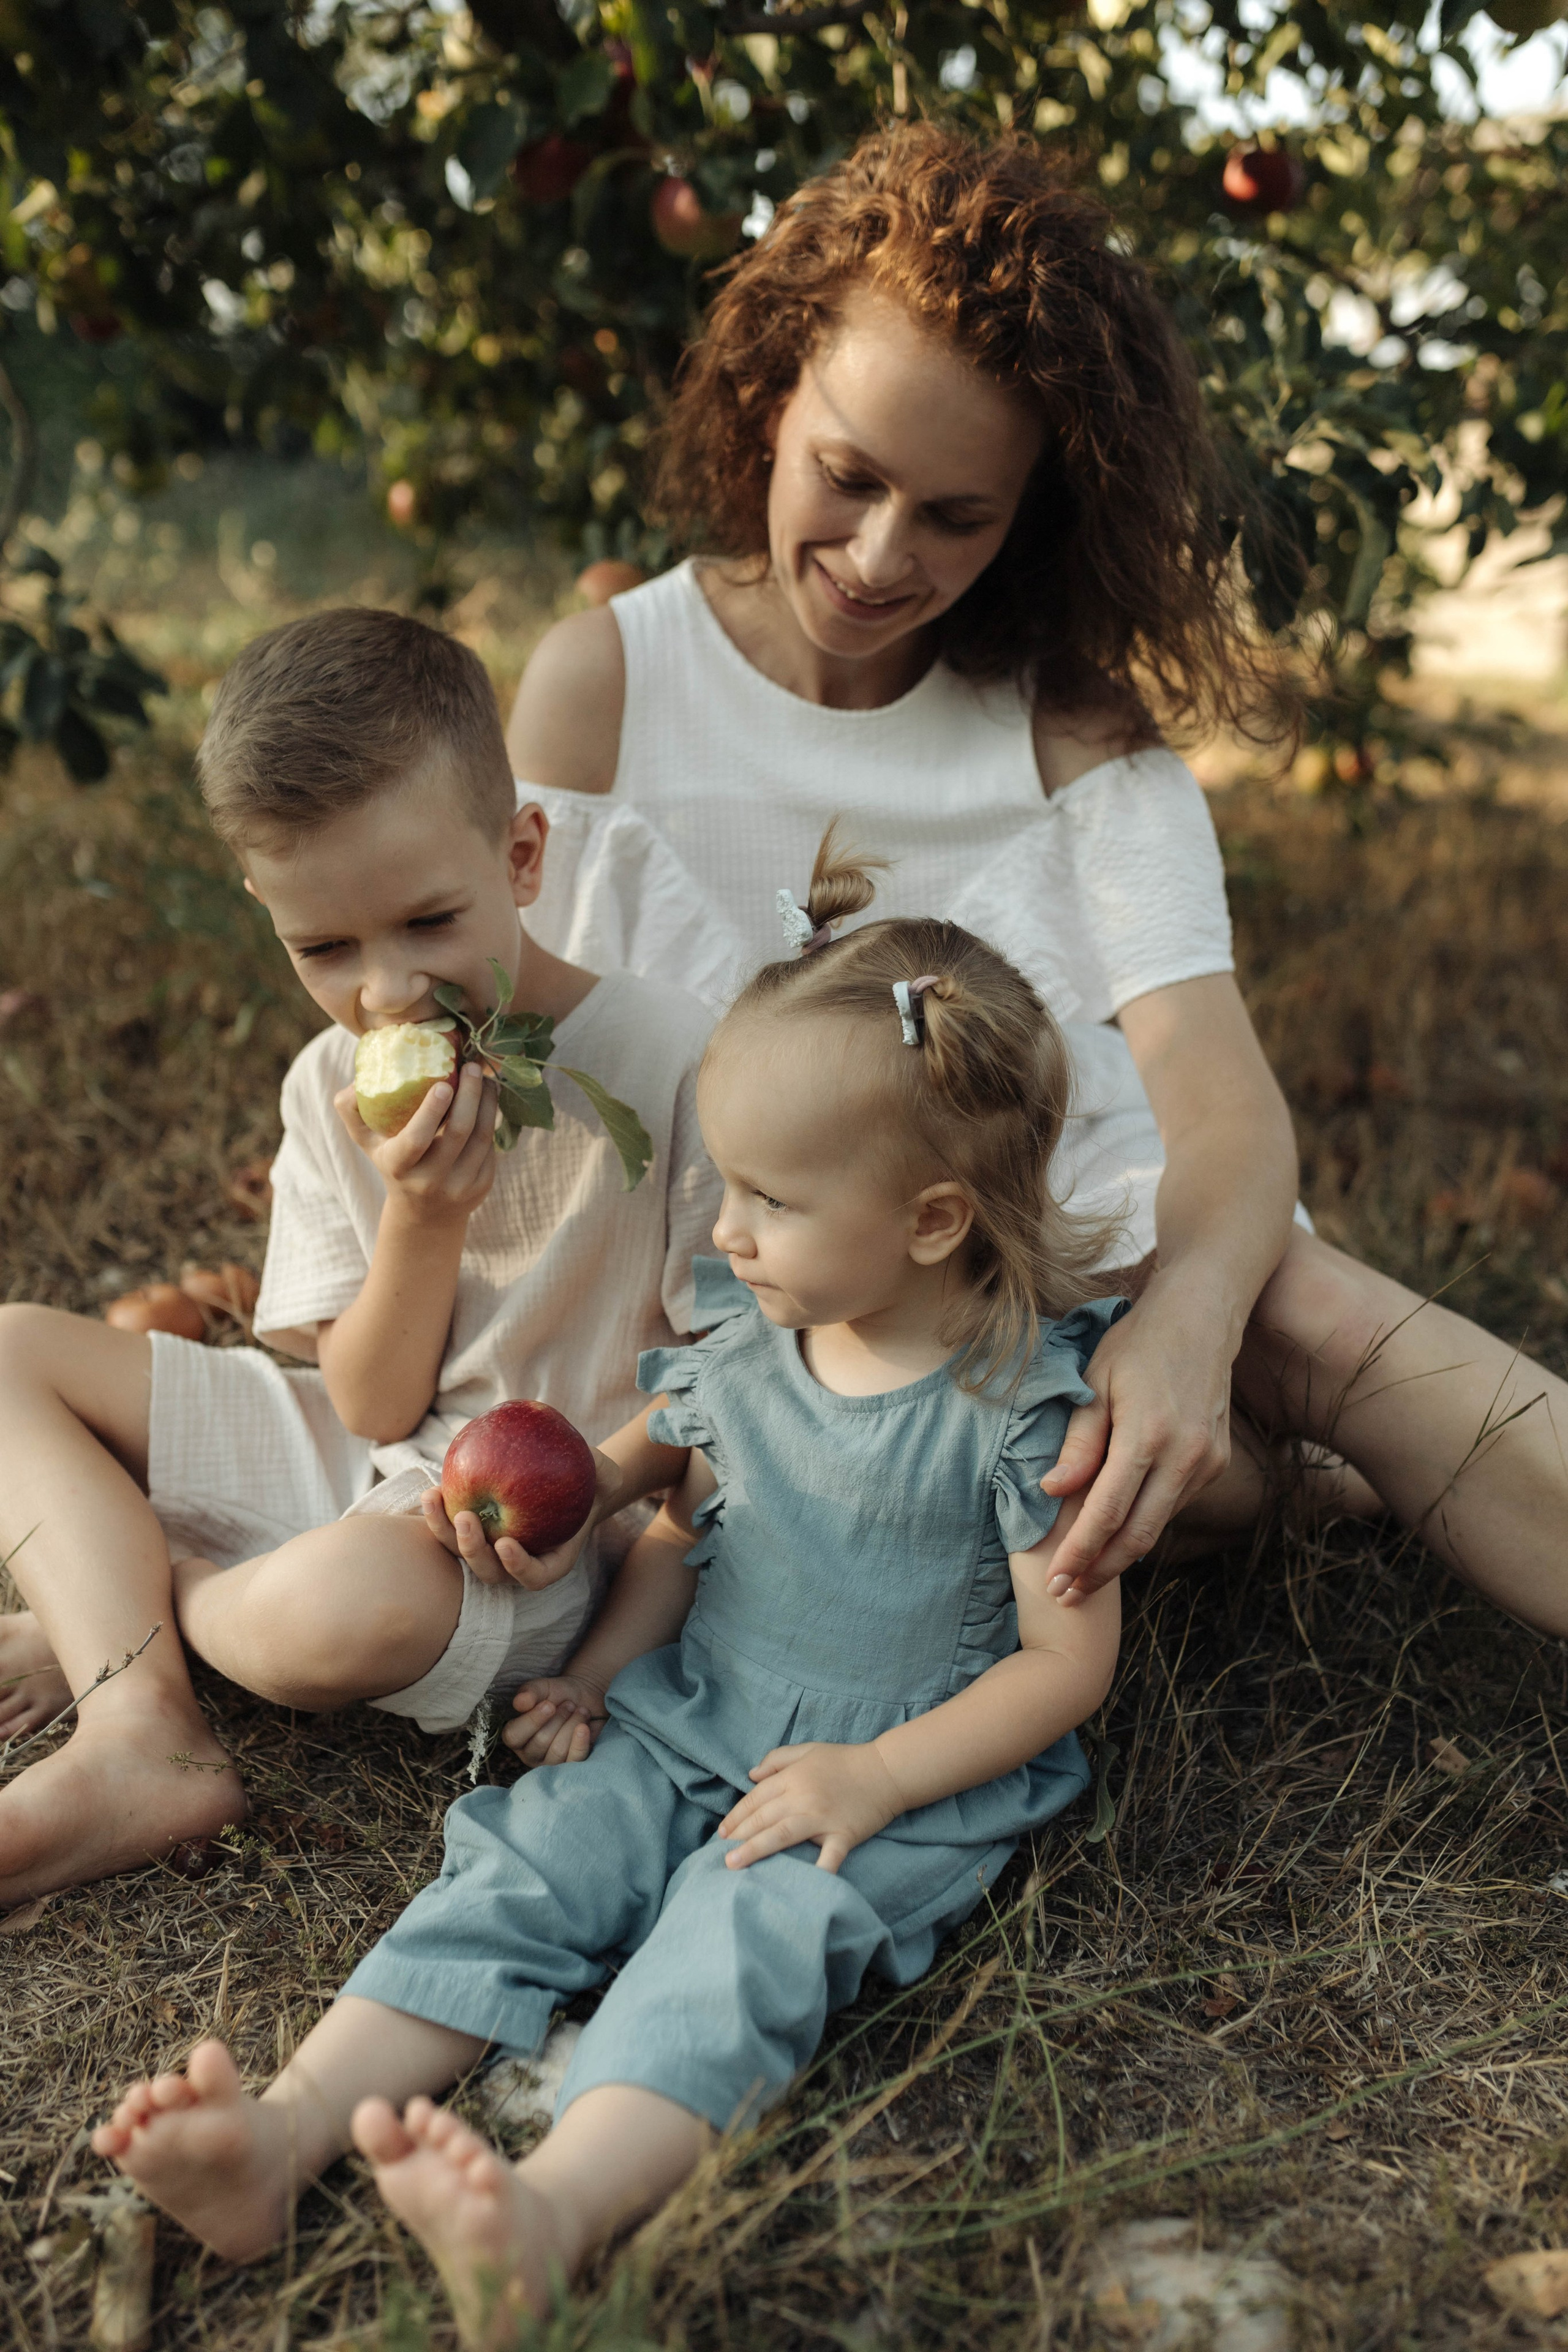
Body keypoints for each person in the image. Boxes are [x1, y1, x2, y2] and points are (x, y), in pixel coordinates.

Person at [507, 123, 1567, 1635]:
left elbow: (1217, 1107)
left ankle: (1271, 1436)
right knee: (1112, 1443)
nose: (881, 556)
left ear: (1032, 512)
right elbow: (534, 1084)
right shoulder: (605, 682)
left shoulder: (1063, 725)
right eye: (847, 477)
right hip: (779, 1313)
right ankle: (1299, 1479)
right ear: (768, 399)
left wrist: (1187, 1330)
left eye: (956, 516)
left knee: (1296, 1310)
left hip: (1068, 1274)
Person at [92, 832, 1123, 2342]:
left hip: (876, 1771)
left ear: (930, 1223)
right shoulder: (745, 1348)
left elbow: (1061, 1665)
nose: (721, 1230)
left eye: (767, 1200)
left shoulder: (1015, 1408)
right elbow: (639, 1507)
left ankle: (554, 2214)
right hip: (682, 1712)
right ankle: (289, 2130)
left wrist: (875, 1777)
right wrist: (592, 1658)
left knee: (738, 1944)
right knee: (523, 1868)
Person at [0, 608, 720, 1909]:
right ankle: (139, 1727)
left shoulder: (677, 1063)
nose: (386, 991)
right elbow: (371, 1407)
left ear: (519, 854)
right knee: (8, 1350)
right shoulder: (327, 1082)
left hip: (544, 1542)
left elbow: (721, 1393)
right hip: (372, 1451)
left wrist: (596, 1505)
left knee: (343, 1606)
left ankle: (131, 1606)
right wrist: (422, 1218)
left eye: (427, 922)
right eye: (322, 949)